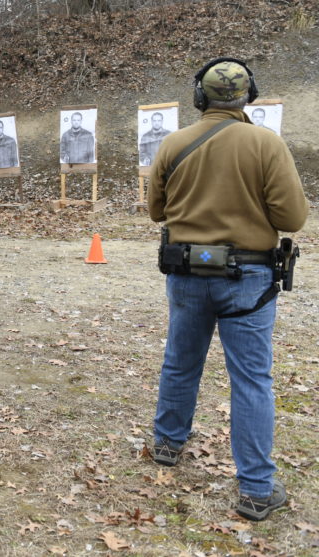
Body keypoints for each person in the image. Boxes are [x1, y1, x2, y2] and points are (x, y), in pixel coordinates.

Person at [148, 58, 308, 521]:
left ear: (200, 96)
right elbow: (292, 218)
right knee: (252, 380)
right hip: (249, 278)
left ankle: (167, 444)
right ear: (247, 96)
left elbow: (157, 211)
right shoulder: (266, 143)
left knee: (180, 363)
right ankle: (256, 489)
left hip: (186, 272)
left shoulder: (174, 143)